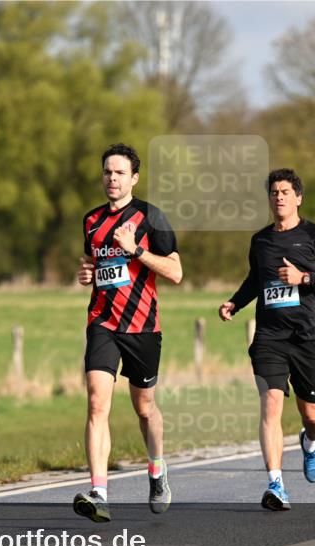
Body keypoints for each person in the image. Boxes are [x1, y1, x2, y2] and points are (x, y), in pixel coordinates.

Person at [218, 169, 315, 510]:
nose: (279, 196)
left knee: (313, 415)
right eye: (274, 192)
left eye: (285, 191)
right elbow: (255, 280)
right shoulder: (260, 241)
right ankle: (275, 484)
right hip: (269, 336)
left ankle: (310, 442)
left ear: (298, 198)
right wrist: (236, 301)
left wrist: (304, 277)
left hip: (307, 336)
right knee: (271, 404)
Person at [73, 144, 182, 522]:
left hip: (143, 327)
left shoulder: (152, 217)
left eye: (119, 173)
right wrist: (85, 273)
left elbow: (175, 272)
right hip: (102, 322)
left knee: (144, 406)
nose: (112, 179)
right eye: (107, 172)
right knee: (97, 402)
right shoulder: (90, 220)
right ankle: (99, 492)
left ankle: (156, 468)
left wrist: (135, 250)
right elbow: (91, 264)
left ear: (134, 178)